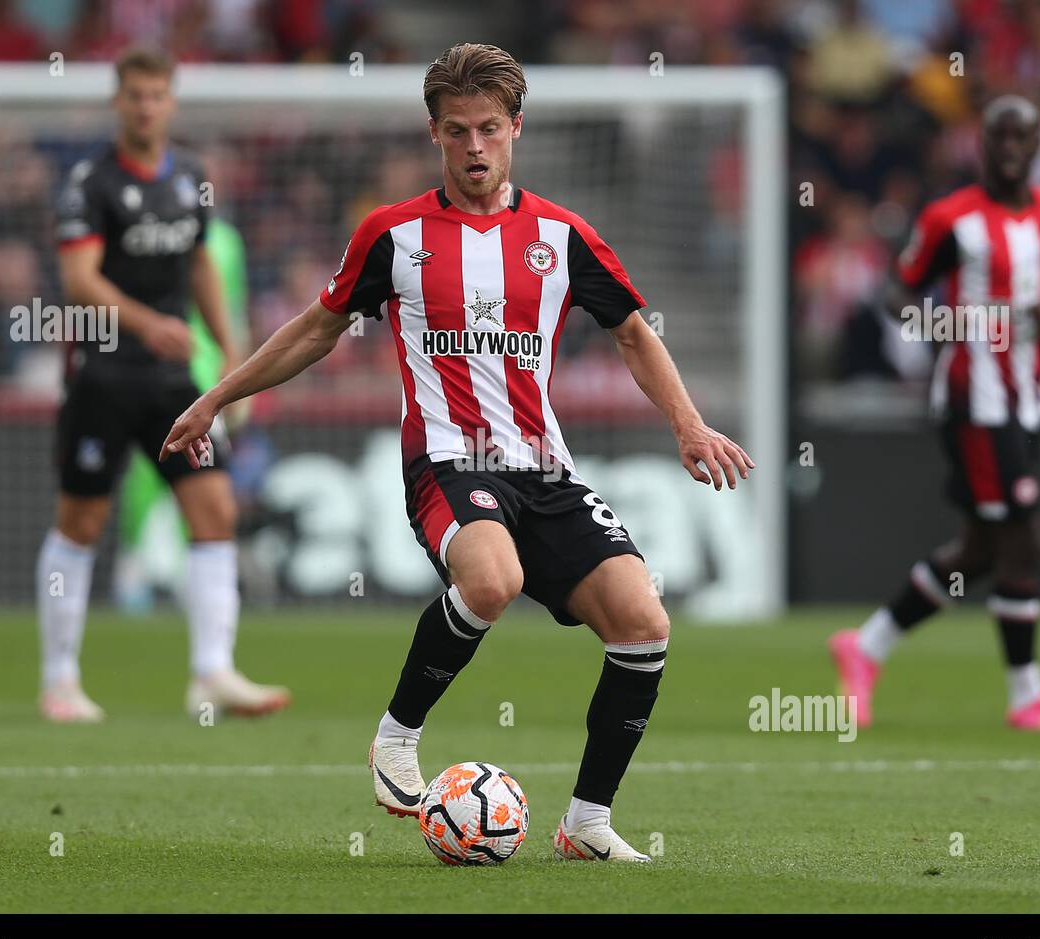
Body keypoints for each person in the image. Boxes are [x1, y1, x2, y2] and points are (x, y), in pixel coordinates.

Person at [160, 43, 753, 861]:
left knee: (645, 623)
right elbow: (315, 330)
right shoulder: (393, 235)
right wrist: (217, 395)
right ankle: (396, 739)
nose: (474, 147)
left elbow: (632, 333)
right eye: (456, 131)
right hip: (446, 462)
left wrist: (689, 425)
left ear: (516, 128)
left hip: (544, 469)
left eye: (488, 130)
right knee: (493, 578)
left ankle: (586, 824)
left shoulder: (564, 236)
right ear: (434, 135)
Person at [829, 95, 1040, 732]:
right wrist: (934, 318)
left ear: (1038, 147)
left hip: (1028, 401)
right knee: (1025, 536)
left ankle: (864, 647)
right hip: (973, 401)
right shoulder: (953, 220)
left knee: (983, 549)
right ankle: (1027, 695)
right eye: (999, 136)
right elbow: (898, 288)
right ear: (982, 144)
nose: (1010, 148)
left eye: (1022, 137)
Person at [38, 47, 289, 722]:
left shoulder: (191, 180)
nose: (147, 106)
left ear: (171, 101)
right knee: (82, 520)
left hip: (175, 378)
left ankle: (212, 672)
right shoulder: (89, 183)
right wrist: (149, 324)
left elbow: (201, 265)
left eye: (157, 95)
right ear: (119, 102)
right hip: (103, 372)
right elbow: (79, 279)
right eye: (135, 95)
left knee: (214, 512)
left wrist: (232, 347)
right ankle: (59, 679)